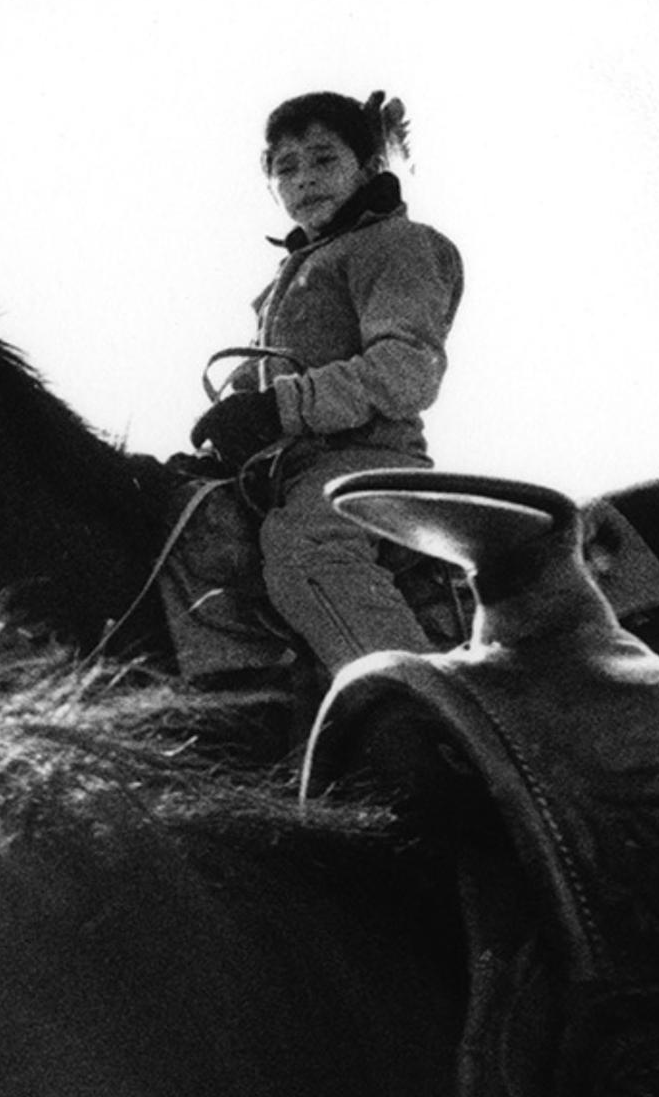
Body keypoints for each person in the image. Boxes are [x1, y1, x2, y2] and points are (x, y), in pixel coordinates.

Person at [181, 87, 461, 679]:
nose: (304, 178)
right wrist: (227, 444)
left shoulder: (395, 245)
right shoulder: (296, 272)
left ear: (366, 166)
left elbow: (405, 370)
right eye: (286, 167)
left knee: (303, 550)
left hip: (370, 464)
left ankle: (435, 712)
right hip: (287, 471)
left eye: (324, 158)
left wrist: (277, 409)